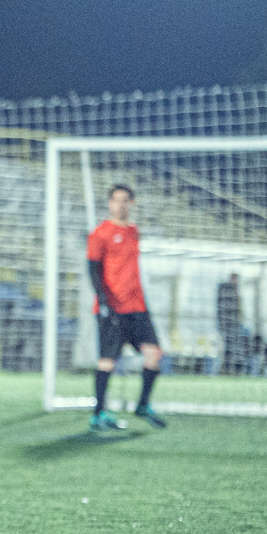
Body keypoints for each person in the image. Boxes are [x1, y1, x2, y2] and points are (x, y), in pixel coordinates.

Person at [86, 184, 167, 431]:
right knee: (107, 361)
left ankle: (142, 405)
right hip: (112, 308)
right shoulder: (100, 234)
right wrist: (104, 301)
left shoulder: (134, 231)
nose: (120, 204)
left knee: (154, 354)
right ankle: (98, 414)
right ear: (109, 203)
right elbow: (93, 270)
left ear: (132, 203)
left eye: (125, 200)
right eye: (116, 200)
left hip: (137, 307)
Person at [217, 273, 243, 375]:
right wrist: (222, 324)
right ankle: (226, 370)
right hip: (228, 325)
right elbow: (223, 308)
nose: (236, 281)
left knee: (235, 348)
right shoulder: (225, 290)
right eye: (235, 279)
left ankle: (233, 369)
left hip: (235, 325)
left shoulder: (235, 290)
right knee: (227, 348)